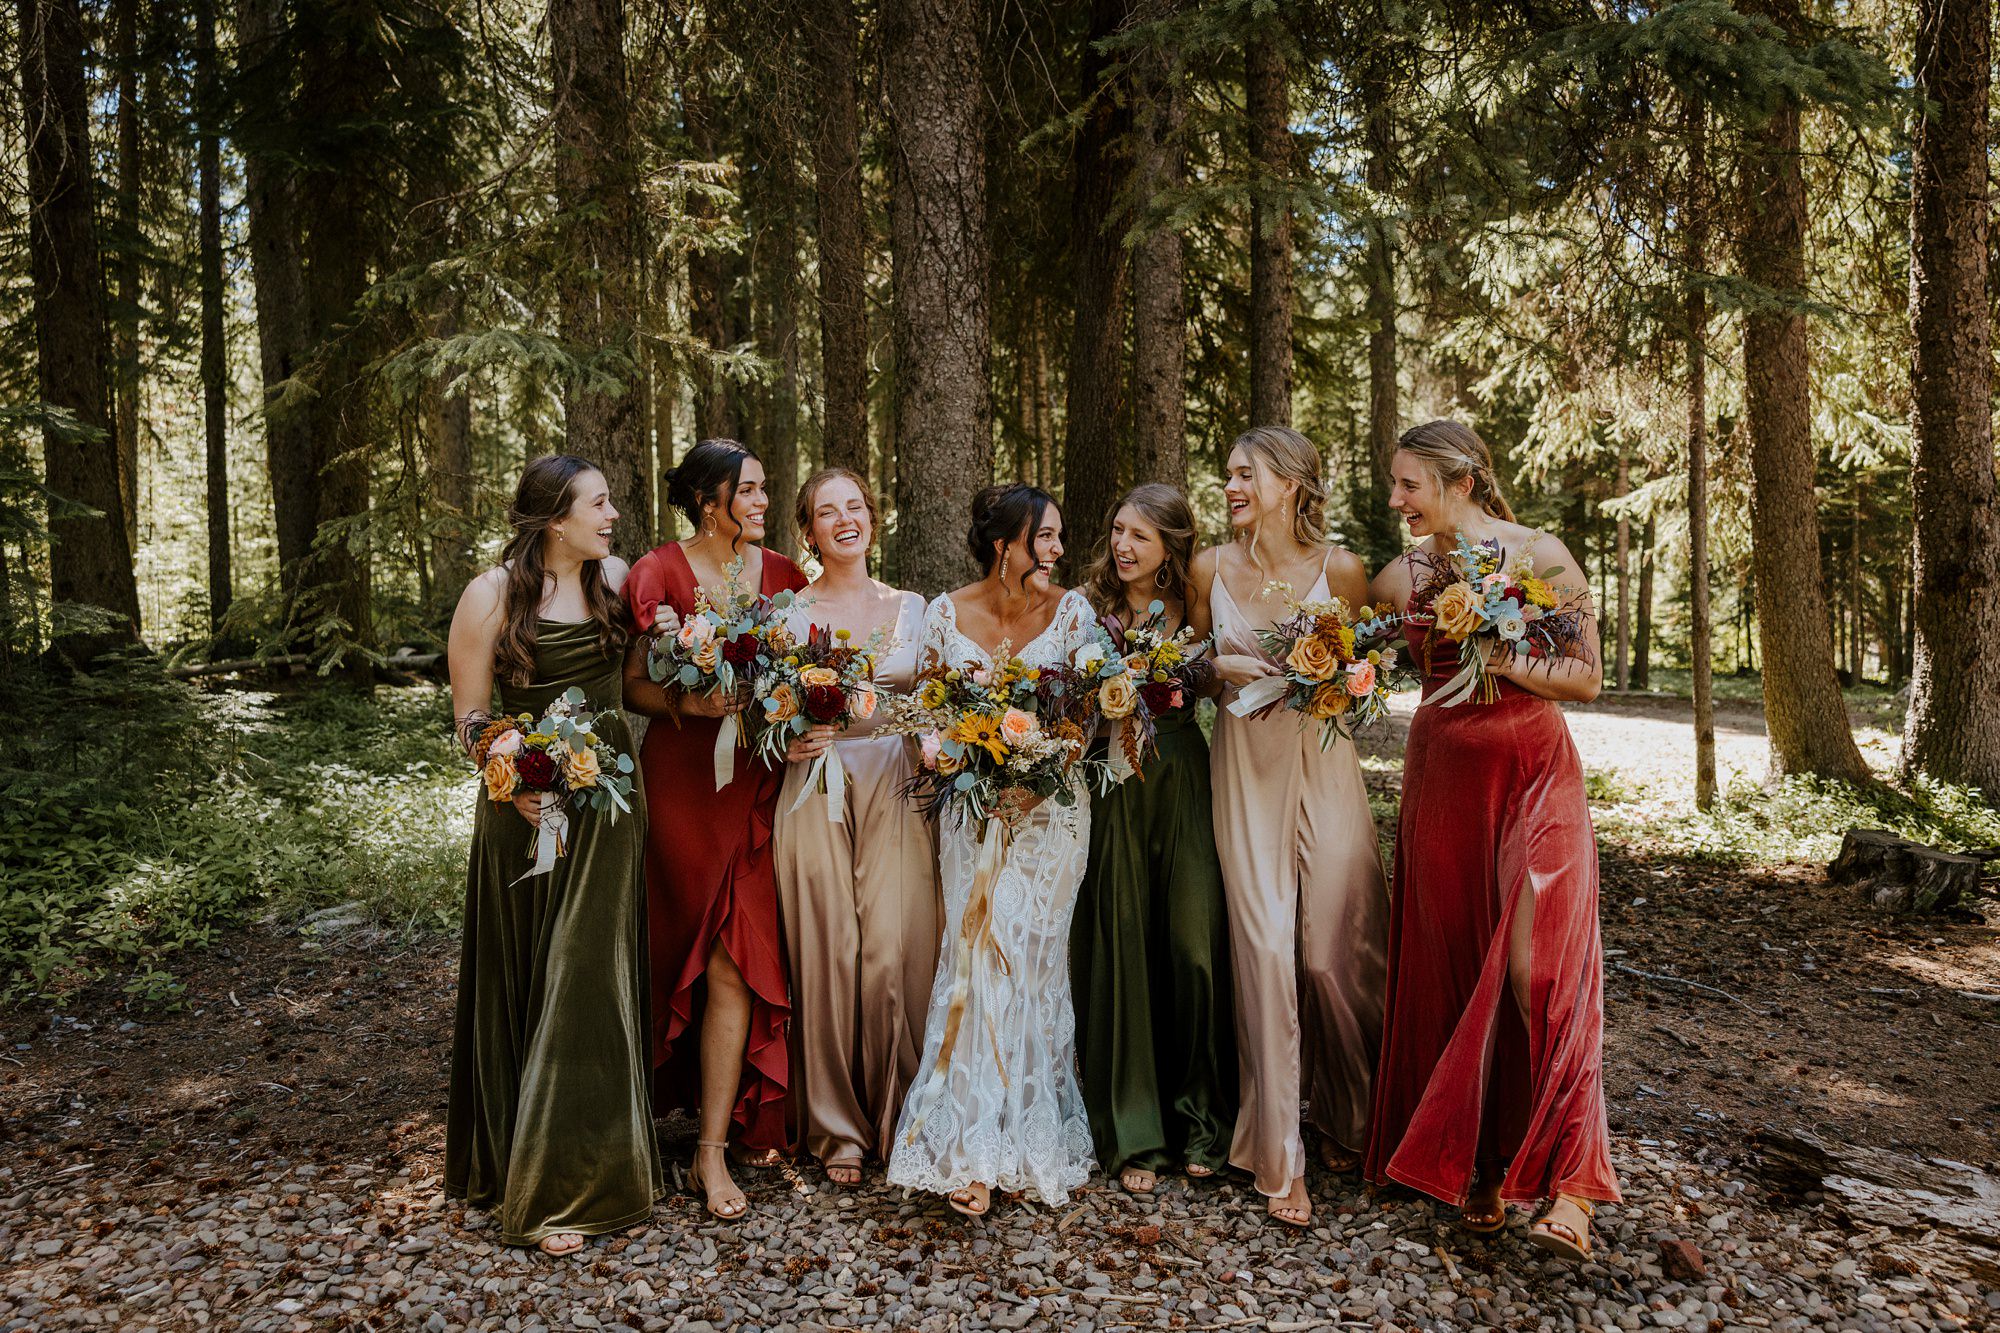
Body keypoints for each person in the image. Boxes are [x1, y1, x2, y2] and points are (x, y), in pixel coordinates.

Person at [1363, 419, 1619, 1261]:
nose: (1394, 499)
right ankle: (1479, 1160)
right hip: (1443, 783)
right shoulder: (1400, 573)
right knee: (1457, 960)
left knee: (1536, 966)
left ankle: (1577, 1185)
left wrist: (1492, 648)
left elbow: (1584, 674)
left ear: (1461, 481)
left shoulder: (1541, 553)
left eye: (1409, 484)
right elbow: (1357, 647)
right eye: (1393, 484)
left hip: (1535, 776)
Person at [444, 454, 663, 1256]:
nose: (613, 514)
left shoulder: (616, 577)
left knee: (587, 974)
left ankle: (584, 1170)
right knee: (535, 972)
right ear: (555, 517)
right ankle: (532, 1173)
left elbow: (648, 669)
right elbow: (469, 716)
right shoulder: (491, 595)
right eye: (599, 503)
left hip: (610, 806)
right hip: (527, 804)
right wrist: (510, 776)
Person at [1188, 425, 1390, 1229]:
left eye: (1245, 473)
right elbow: (1181, 671)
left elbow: (1371, 665)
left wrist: (1343, 680)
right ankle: (1281, 1156)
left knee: (1334, 952)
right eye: (1228, 473)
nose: (1231, 485)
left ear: (1291, 482)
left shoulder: (1342, 569)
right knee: (1267, 951)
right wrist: (1214, 670)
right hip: (1243, 770)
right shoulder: (1209, 568)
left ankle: (1358, 1116)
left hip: (1326, 765)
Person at [886, 484, 1099, 1217]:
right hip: (971, 813)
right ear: (1006, 541)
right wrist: (942, 756)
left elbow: (1082, 718)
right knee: (974, 956)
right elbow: (928, 714)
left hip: (1051, 814)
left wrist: (1033, 784)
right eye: (1046, 537)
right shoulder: (945, 613)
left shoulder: (1073, 613)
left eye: (1060, 539)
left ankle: (1027, 1135)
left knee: (1033, 962)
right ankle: (970, 1147)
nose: (1057, 551)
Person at [621, 439, 807, 1220]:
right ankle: (656, 1113)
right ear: (710, 501)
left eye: (765, 490)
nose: (765, 502)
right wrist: (691, 703)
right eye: (751, 490)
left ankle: (710, 1153)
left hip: (757, 785)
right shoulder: (658, 573)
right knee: (679, 949)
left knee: (735, 956)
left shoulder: (785, 578)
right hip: (683, 785)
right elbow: (633, 683)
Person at [772, 468, 940, 1189]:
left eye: (855, 507)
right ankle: (837, 1125)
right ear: (807, 530)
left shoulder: (915, 606)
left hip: (899, 780)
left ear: (874, 516)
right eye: (825, 511)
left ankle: (903, 1112)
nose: (844, 519)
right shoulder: (785, 612)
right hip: (816, 785)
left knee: (894, 945)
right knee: (829, 947)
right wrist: (787, 736)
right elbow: (767, 712)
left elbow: (936, 697)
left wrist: (935, 741)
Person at [1070, 483, 1236, 1195]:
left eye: (1139, 535)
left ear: (1170, 544)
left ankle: (1201, 1117)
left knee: (1194, 945)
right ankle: (1134, 1128)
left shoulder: (1191, 606)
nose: (1122, 545)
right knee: (1123, 943)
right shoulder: (1091, 612)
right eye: (1116, 530)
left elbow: (1222, 674)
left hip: (1181, 776)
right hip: (1114, 783)